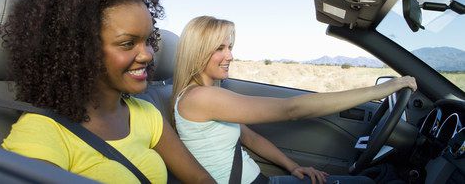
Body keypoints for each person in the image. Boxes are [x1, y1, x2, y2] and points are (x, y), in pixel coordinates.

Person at [0, 0, 214, 183]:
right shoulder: (41, 132)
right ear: (82, 48)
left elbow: (200, 179)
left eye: (148, 41)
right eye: (128, 43)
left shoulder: (146, 114)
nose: (148, 54)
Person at [170, 16, 418, 184]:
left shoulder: (206, 94)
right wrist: (380, 90)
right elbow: (293, 109)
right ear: (198, 51)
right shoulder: (201, 97)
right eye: (219, 48)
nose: (230, 55)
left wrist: (293, 167)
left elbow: (249, 137)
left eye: (230, 46)